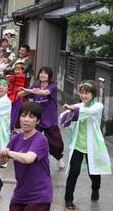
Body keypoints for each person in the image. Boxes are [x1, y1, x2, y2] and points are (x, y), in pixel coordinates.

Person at [60, 80, 111, 210]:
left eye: (87, 93)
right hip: (78, 145)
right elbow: (64, 117)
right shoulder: (78, 105)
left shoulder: (98, 106)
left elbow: (89, 112)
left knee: (93, 173)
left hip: (92, 146)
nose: (84, 95)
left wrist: (73, 110)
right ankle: (68, 199)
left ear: (93, 94)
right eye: (82, 92)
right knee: (74, 172)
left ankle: (95, 189)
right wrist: (69, 113)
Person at [0, 102, 52, 211]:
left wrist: (8, 153)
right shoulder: (16, 138)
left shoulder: (40, 139)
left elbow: (28, 158)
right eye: (23, 116)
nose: (26, 120)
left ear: (38, 121)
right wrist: (1, 157)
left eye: (31, 117)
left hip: (39, 195)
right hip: (20, 193)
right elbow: (1, 162)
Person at [18, 66, 65, 169]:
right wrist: (22, 92)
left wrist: (29, 90)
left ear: (49, 76)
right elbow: (23, 93)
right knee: (30, 137)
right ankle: (29, 157)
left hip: (50, 119)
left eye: (45, 73)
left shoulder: (53, 87)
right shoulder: (35, 86)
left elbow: (44, 92)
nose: (42, 75)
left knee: (55, 143)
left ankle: (59, 158)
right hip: (36, 119)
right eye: (41, 73)